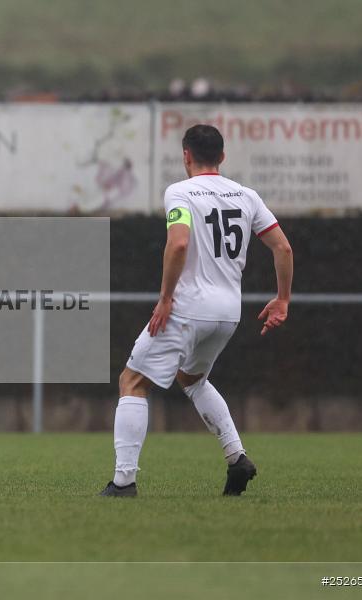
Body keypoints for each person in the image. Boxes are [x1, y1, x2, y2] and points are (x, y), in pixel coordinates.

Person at [101, 124, 293, 497]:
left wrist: (166, 298)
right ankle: (237, 458)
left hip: (189, 307)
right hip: (228, 312)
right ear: (222, 157)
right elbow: (283, 248)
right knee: (192, 380)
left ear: (186, 155)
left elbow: (178, 244)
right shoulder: (246, 195)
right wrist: (282, 299)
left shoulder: (180, 192)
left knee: (132, 381)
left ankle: (124, 482)